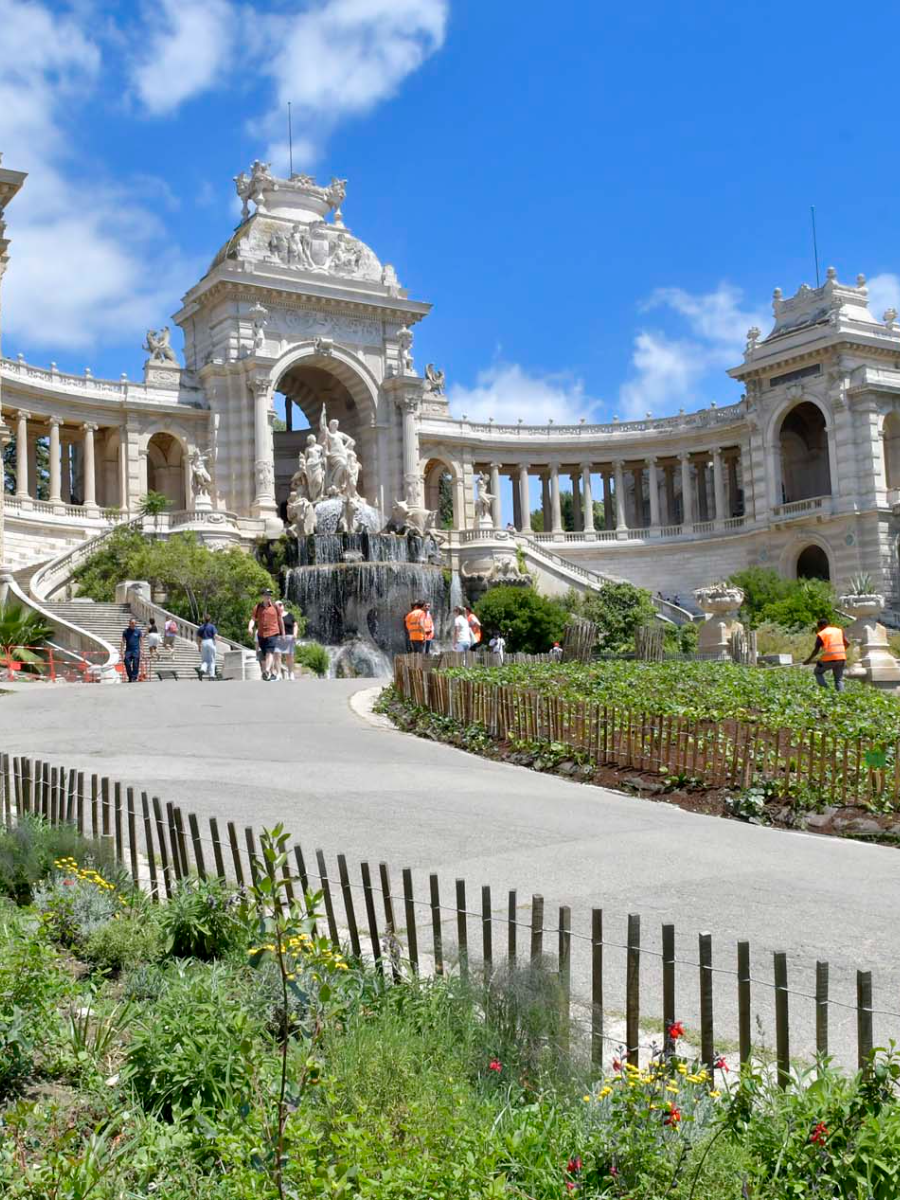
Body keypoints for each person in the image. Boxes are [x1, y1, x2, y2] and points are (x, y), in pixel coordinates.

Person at [804, 618, 850, 692]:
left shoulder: (821, 634)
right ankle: (842, 697)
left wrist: (808, 660)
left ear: (822, 625)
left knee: (817, 672)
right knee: (838, 679)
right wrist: (840, 651)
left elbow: (816, 650)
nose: (819, 629)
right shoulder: (839, 631)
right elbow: (848, 643)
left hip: (829, 659)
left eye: (819, 627)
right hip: (841, 658)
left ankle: (826, 691)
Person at [248, 588, 285, 681]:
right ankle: (270, 673)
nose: (268, 596)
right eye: (266, 594)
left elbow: (280, 620)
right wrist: (250, 627)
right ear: (262, 596)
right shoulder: (257, 607)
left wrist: (283, 633)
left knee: (270, 652)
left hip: (273, 632)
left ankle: (267, 670)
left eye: (269, 595)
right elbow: (253, 619)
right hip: (261, 634)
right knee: (265, 654)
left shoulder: (275, 607)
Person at [196, 614, 218, 680]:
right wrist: (218, 638)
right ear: (210, 619)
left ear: (204, 619)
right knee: (212, 660)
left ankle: (202, 670)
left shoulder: (201, 627)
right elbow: (215, 636)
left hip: (204, 642)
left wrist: (199, 646)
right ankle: (211, 676)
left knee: (204, 660)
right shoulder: (212, 627)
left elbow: (198, 638)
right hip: (211, 642)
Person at [120, 618, 143, 683]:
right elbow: (122, 641)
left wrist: (141, 649)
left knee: (136, 663)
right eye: (132, 623)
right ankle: (130, 676)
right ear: (129, 623)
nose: (133, 624)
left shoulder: (138, 631)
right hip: (128, 650)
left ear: (136, 624)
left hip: (136, 650)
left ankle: (134, 677)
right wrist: (121, 650)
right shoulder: (125, 631)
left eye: (134, 623)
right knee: (126, 662)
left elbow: (141, 640)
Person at [281, 607, 297, 680]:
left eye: (281, 604)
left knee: (289, 656)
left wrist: (295, 634)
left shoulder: (290, 615)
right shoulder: (274, 615)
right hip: (278, 637)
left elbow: (295, 625)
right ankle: (278, 673)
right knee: (277, 656)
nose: (279, 606)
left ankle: (291, 673)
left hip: (289, 637)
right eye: (277, 605)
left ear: (283, 606)